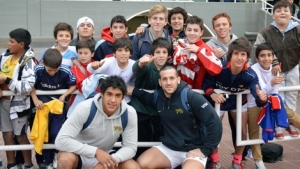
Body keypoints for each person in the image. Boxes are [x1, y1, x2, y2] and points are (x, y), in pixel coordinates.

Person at [127, 65, 222, 169]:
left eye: (171, 78)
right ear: (160, 82)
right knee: (142, 164)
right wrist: (133, 90)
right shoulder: (158, 98)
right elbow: (144, 96)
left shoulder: (191, 97)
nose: (168, 82)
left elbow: (215, 122)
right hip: (169, 148)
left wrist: (205, 150)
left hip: (193, 149)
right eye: (164, 79)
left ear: (178, 80)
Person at [202, 37, 268, 169]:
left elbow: (257, 97)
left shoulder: (250, 75)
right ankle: (215, 159)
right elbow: (206, 84)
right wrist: (213, 94)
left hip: (239, 103)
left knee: (242, 132)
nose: (239, 58)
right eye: (236, 54)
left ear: (247, 57)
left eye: (243, 54)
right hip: (219, 101)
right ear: (230, 55)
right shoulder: (219, 67)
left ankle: (237, 161)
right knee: (212, 129)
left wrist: (262, 98)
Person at [55, 75, 139, 169]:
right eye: (109, 94)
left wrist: (111, 160)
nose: (113, 100)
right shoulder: (85, 108)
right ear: (102, 93)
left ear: (123, 97)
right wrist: (96, 152)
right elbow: (60, 141)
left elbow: (131, 147)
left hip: (106, 154)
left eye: (118, 95)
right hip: (79, 153)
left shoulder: (129, 113)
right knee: (65, 159)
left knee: (132, 166)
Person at [254, 0, 300, 137]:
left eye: (285, 10)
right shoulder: (266, 32)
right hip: (274, 70)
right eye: (278, 11)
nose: (282, 13)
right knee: (276, 97)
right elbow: (258, 49)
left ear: (291, 14)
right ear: (273, 15)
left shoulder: (298, 29)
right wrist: (274, 62)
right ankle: (278, 127)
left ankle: (290, 124)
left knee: (291, 96)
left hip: (293, 67)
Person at [31, 48, 76, 168]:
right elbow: (30, 85)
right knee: (44, 134)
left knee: (56, 133)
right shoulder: (38, 69)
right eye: (49, 70)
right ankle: (48, 162)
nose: (52, 73)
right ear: (44, 64)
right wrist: (36, 99)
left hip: (58, 107)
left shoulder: (65, 71)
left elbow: (74, 84)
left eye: (55, 70)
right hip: (42, 107)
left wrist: (64, 95)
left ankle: (57, 155)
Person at [0, 28, 35, 169]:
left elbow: (28, 86)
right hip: (3, 103)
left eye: (11, 41)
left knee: (21, 136)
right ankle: (11, 165)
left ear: (21, 44)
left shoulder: (29, 61)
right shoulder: (4, 56)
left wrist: (6, 81)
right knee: (7, 135)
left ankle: (28, 165)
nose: (8, 44)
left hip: (19, 105)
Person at [130, 37, 169, 158]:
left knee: (158, 141)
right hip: (141, 110)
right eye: (158, 52)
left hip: (159, 112)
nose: (161, 56)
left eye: (164, 52)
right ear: (152, 54)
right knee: (141, 141)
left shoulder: (169, 70)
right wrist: (140, 63)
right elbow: (137, 69)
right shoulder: (147, 66)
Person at [247, 43, 279, 169]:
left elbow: (275, 91)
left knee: (290, 114)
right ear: (257, 57)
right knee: (253, 131)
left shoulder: (275, 68)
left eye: (269, 55)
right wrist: (271, 83)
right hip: (254, 103)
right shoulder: (253, 69)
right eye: (263, 56)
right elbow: (259, 91)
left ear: (273, 56)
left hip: (270, 101)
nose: (266, 58)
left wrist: (274, 102)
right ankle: (258, 160)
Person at [173, 15, 222, 89]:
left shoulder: (205, 48)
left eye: (196, 30)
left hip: (198, 93)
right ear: (185, 30)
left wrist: (198, 51)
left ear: (201, 32)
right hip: (179, 91)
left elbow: (217, 69)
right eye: (189, 30)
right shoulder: (180, 45)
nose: (192, 33)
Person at [87, 37, 135, 103]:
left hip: (125, 100)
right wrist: (94, 66)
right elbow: (90, 69)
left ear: (130, 54)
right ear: (114, 53)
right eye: (120, 50)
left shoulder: (134, 65)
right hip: (107, 99)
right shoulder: (108, 62)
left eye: (126, 50)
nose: (123, 53)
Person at [67, 39, 95, 117]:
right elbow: (82, 86)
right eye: (80, 53)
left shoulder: (98, 66)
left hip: (94, 105)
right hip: (76, 104)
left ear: (92, 54)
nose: (82, 56)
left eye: (86, 53)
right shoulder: (75, 68)